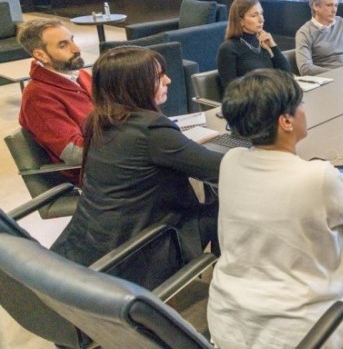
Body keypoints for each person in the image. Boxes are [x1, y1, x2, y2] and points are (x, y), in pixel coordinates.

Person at [207, 69, 343, 348]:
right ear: (286, 120)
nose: (305, 109)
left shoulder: (230, 160)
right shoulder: (317, 176)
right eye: (301, 103)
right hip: (298, 335)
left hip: (229, 323)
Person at [51, 47, 222, 273]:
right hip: (145, 249)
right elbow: (219, 170)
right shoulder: (151, 129)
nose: (168, 80)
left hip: (93, 243)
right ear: (134, 86)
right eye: (159, 77)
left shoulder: (100, 120)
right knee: (224, 203)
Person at [17, 19, 92, 184]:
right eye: (63, 45)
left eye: (72, 40)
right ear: (41, 55)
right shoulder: (38, 97)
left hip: (116, 160)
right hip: (93, 175)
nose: (76, 49)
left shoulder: (80, 76)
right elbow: (76, 154)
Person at [217, 0, 289, 90]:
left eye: (261, 14)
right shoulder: (228, 48)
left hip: (271, 97)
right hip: (250, 102)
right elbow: (231, 90)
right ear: (240, 20)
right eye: (254, 15)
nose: (261, 19)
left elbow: (287, 75)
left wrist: (273, 47)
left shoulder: (261, 42)